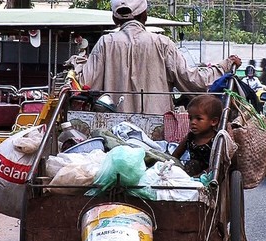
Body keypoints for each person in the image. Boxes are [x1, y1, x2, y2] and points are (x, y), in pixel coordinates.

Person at [79, 0, 241, 115]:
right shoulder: (162, 43)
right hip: (157, 130)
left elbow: (85, 84)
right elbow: (193, 80)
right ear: (145, 15)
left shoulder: (105, 43)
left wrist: (77, 62)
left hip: (113, 128)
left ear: (115, 19)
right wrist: (225, 66)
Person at [171, 95, 222, 177]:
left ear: (213, 121)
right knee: (191, 164)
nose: (193, 122)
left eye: (198, 119)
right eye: (190, 118)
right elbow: (175, 156)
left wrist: (201, 175)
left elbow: (218, 164)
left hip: (212, 174)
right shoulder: (190, 137)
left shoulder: (217, 139)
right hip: (191, 173)